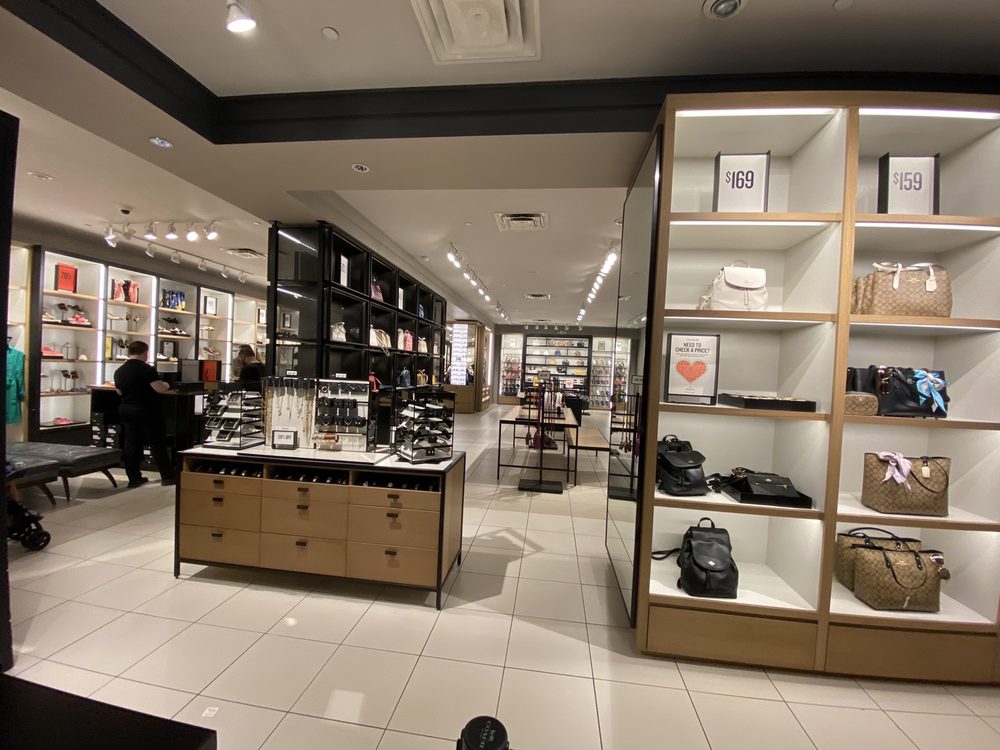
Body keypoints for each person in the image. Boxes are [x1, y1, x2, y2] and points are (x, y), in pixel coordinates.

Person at [114, 341, 175, 488]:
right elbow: (159, 388)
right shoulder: (147, 369)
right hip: (145, 410)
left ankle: (134, 478)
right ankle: (167, 476)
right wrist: (168, 384)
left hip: (126, 409)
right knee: (156, 442)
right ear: (145, 353)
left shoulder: (119, 370)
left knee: (131, 444)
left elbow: (119, 392)